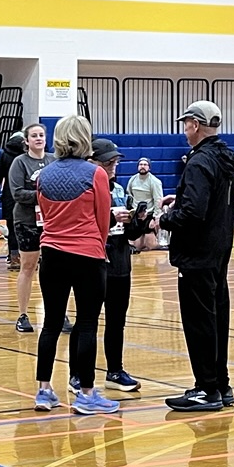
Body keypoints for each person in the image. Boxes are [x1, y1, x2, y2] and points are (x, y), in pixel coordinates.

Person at [29, 116, 116, 416]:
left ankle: (44, 390)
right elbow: (103, 218)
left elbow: (44, 214)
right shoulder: (96, 174)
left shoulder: (43, 175)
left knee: (51, 324)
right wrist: (98, 247)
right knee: (88, 323)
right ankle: (87, 394)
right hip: (87, 254)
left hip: (52, 254)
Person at [160, 101, 234, 413]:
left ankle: (206, 389)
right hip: (220, 249)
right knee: (217, 317)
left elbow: (194, 213)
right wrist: (181, 198)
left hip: (197, 254)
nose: (184, 130)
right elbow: (216, 200)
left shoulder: (198, 162)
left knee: (199, 321)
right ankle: (221, 384)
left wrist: (165, 218)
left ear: (194, 124)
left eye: (186, 124)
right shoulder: (228, 158)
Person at [93, 139, 150, 395]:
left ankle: (115, 371)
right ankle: (77, 374)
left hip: (119, 263)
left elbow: (130, 235)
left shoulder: (118, 190)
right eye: (108, 163)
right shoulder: (86, 189)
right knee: (87, 321)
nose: (112, 167)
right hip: (94, 262)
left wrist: (139, 220)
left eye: (115, 162)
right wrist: (109, 217)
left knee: (116, 322)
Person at [7, 123, 50, 332]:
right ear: (26, 140)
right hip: (27, 221)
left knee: (54, 268)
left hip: (51, 221)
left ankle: (58, 313)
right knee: (28, 266)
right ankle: (22, 314)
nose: (38, 138)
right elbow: (17, 193)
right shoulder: (20, 162)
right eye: (34, 135)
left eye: (41, 135)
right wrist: (44, 194)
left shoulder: (53, 160)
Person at [0, 130, 26, 269]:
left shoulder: (5, 154)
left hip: (9, 195)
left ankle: (14, 257)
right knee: (30, 228)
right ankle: (32, 256)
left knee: (12, 228)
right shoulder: (28, 155)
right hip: (27, 195)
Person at [126, 157, 164, 249]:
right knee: (136, 245)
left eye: (145, 164)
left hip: (149, 215)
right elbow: (129, 194)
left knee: (150, 245)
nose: (142, 166)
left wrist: (155, 218)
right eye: (140, 164)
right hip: (136, 215)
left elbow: (158, 200)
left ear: (149, 167)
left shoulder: (155, 181)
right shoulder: (132, 179)